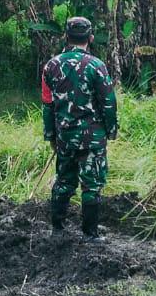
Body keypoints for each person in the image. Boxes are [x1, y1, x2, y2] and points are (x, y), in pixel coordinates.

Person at [41, 17, 119, 241]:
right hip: (92, 136)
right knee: (92, 183)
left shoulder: (51, 66)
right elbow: (108, 103)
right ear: (90, 38)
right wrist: (110, 130)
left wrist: (50, 135)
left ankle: (57, 228)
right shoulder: (97, 66)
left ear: (66, 37)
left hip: (64, 135)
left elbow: (48, 104)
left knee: (64, 179)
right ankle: (90, 233)